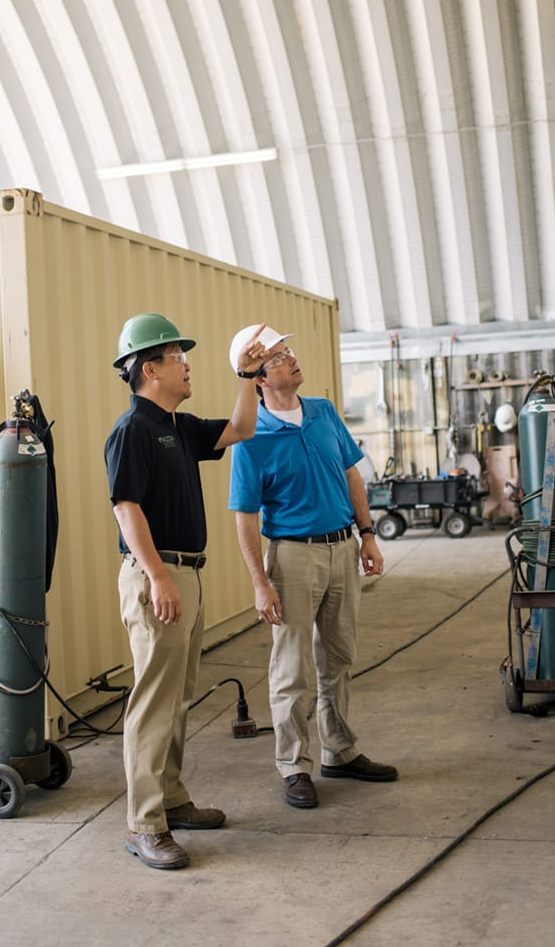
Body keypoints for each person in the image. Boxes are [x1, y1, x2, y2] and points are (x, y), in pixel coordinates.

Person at [104, 312, 269, 870]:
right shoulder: (133, 431)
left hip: (184, 574)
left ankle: (171, 800)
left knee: (177, 698)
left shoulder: (178, 426)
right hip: (160, 576)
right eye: (179, 357)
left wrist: (248, 377)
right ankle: (144, 823)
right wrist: (158, 577)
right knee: (153, 703)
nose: (188, 363)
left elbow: (242, 429)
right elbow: (126, 508)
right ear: (150, 368)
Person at [227, 324, 397, 810]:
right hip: (292, 556)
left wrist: (367, 535)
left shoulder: (323, 413)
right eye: (278, 358)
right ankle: (293, 766)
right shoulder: (251, 437)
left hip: (342, 548)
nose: (292, 360)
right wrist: (260, 583)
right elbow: (246, 518)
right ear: (258, 377)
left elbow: (351, 476)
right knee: (291, 668)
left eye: (289, 352)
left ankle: (340, 751)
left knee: (339, 659)